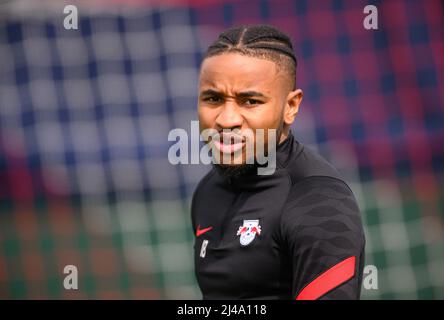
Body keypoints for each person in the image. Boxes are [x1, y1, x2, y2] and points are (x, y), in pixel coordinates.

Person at [191, 24, 365, 300]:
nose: (226, 120)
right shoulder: (207, 191)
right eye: (213, 99)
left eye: (250, 101)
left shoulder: (318, 200)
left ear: (291, 107)